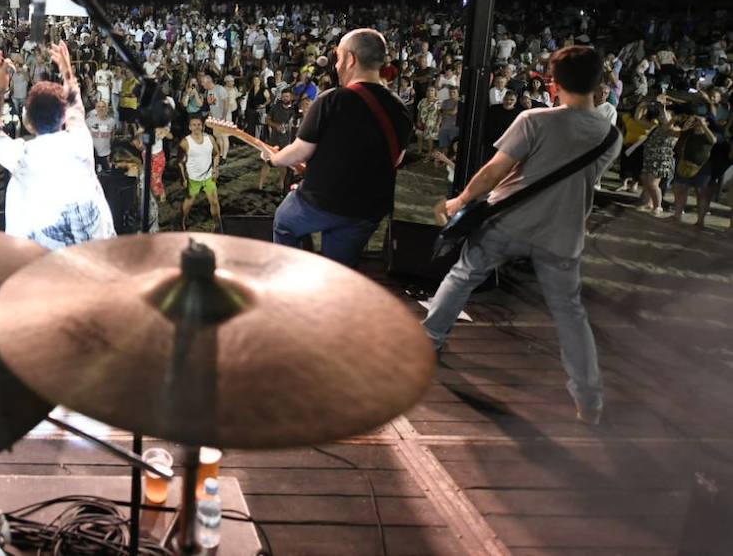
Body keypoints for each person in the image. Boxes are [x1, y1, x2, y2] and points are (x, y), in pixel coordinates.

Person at [422, 46, 621, 425]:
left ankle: (428, 343)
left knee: (463, 276)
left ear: (554, 82)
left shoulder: (534, 120)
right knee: (570, 314)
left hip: (507, 222)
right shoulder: (610, 137)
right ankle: (589, 399)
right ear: (600, 85)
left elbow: (495, 171)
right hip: (562, 235)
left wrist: (460, 200)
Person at [259, 29, 412, 267]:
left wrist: (274, 159)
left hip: (322, 202)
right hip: (367, 210)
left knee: (285, 222)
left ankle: (291, 279)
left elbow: (300, 151)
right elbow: (397, 158)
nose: (337, 65)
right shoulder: (400, 108)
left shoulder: (333, 100)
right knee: (338, 269)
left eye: (339, 58)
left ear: (351, 59)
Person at [0, 42, 115, 249]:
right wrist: (67, 73)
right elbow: (76, 108)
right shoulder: (80, 140)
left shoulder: (22, 155)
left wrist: (0, 89)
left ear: (28, 123)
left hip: (47, 270)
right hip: (98, 260)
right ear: (63, 117)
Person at [178, 116, 222, 231]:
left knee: (214, 202)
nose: (196, 127)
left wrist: (215, 168)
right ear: (189, 127)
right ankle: (181, 221)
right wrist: (183, 178)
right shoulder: (185, 142)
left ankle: (217, 224)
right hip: (193, 180)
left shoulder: (210, 139)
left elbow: (216, 154)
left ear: (202, 126)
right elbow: (179, 163)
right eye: (194, 125)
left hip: (208, 178)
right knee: (188, 203)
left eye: (199, 125)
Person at [85, 97, 118, 171]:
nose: (101, 109)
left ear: (106, 109)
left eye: (103, 107)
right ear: (95, 109)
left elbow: (112, 136)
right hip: (92, 154)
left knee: (107, 175)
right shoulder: (88, 121)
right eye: (99, 107)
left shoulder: (111, 121)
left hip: (106, 154)